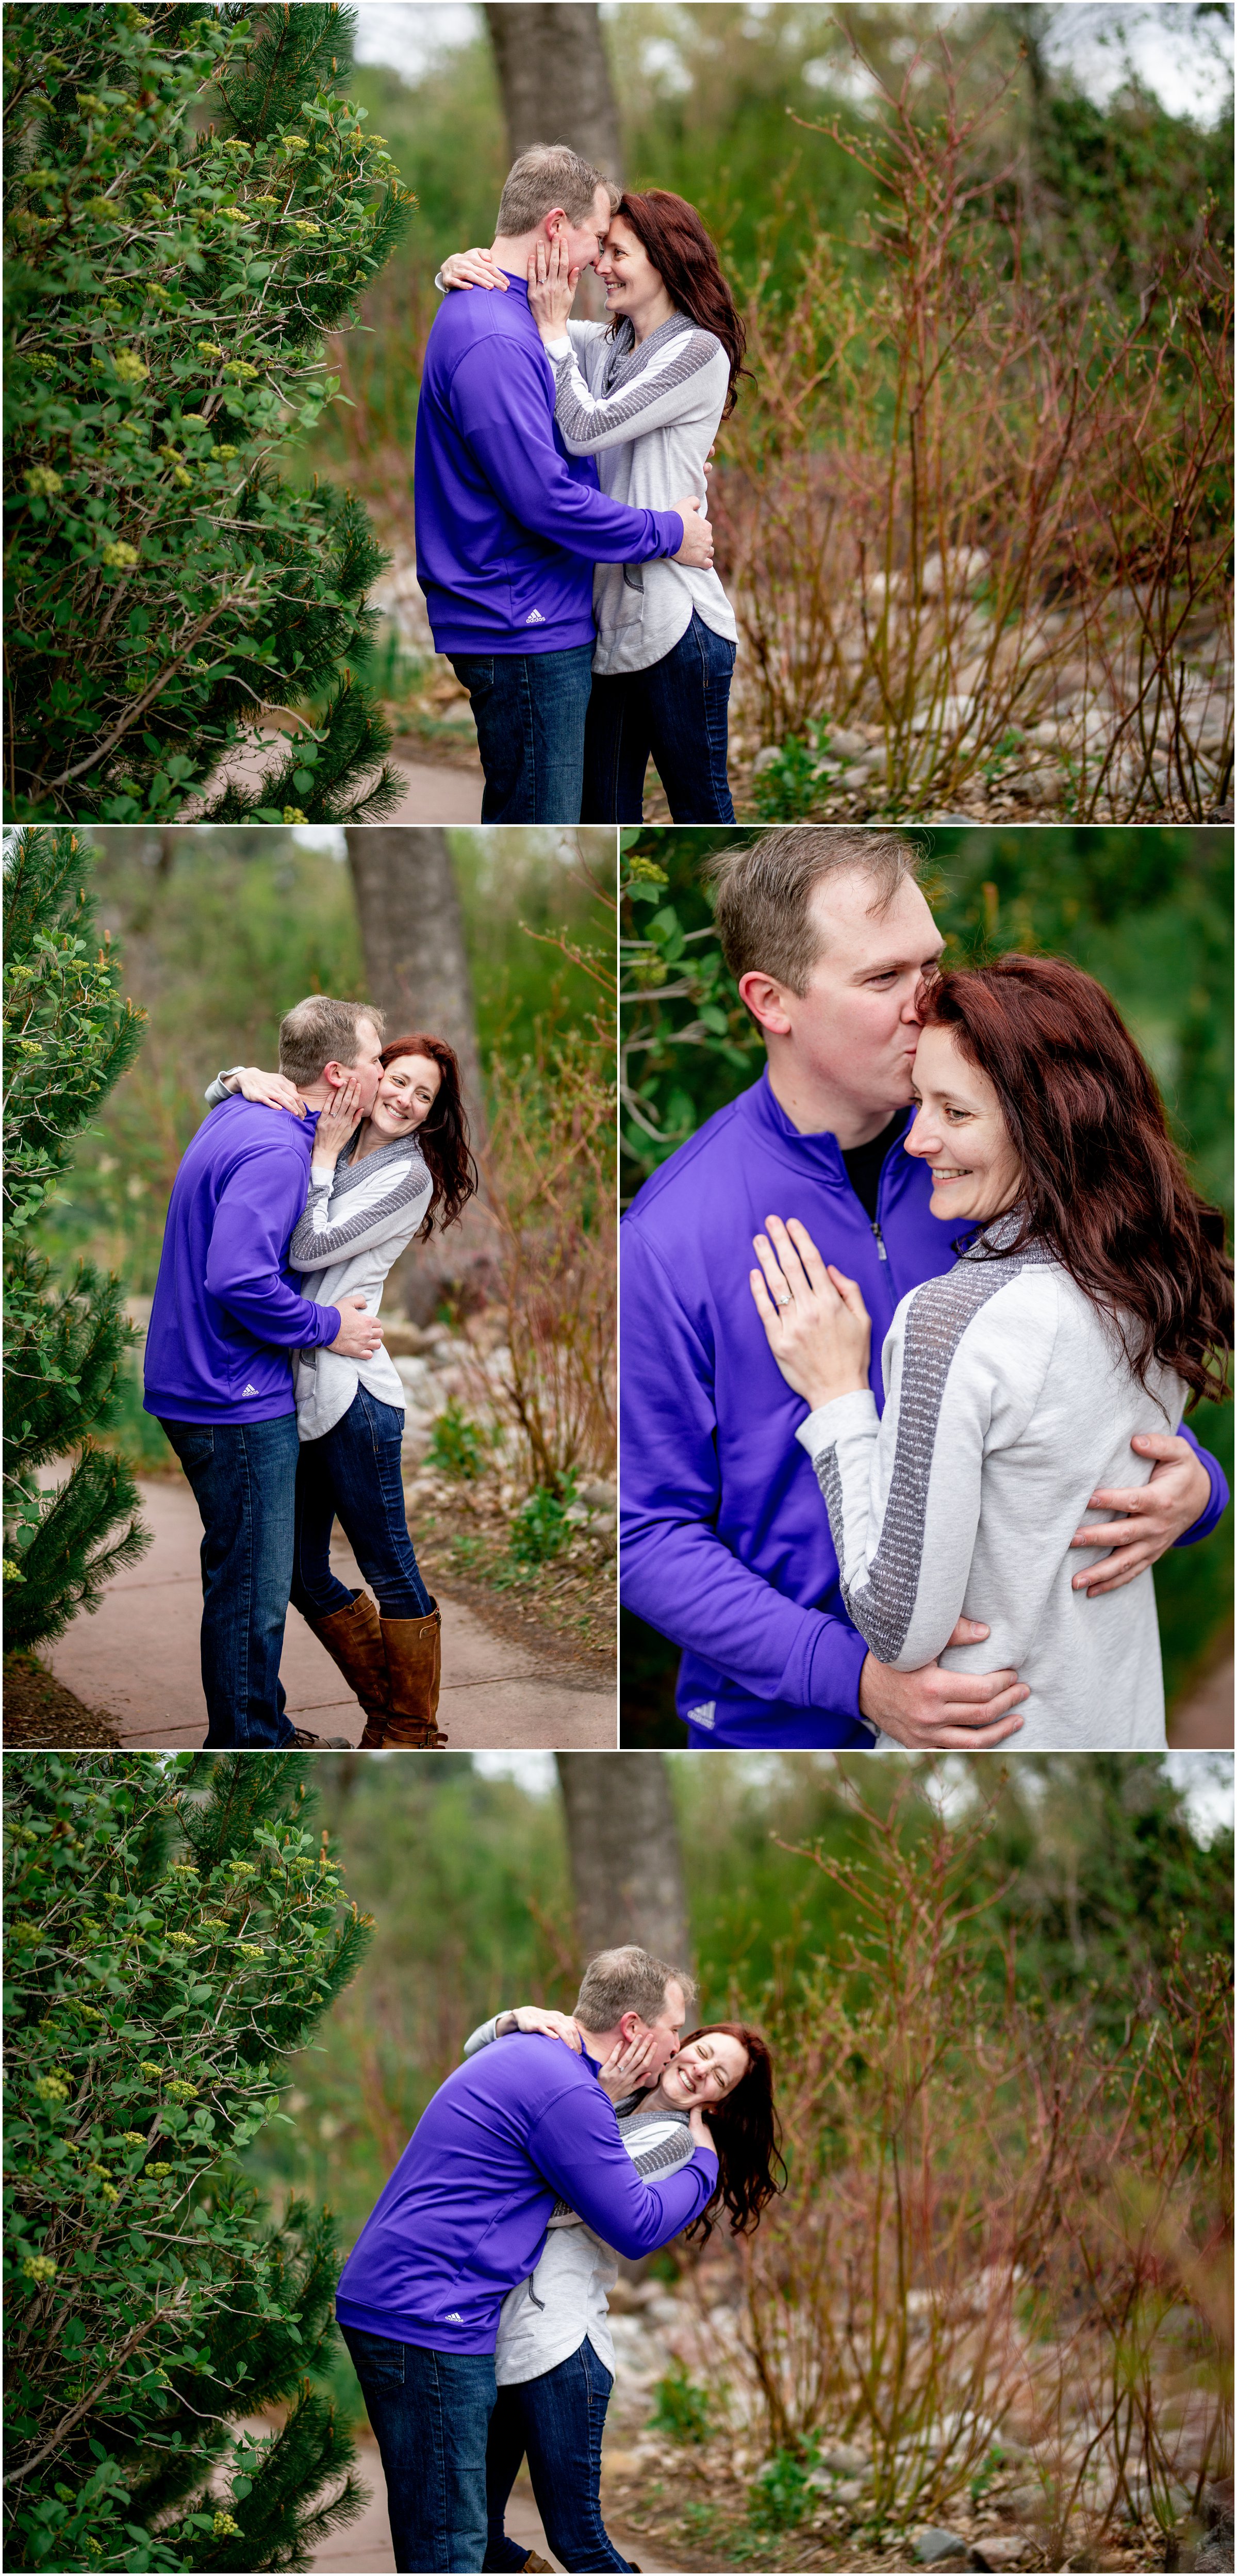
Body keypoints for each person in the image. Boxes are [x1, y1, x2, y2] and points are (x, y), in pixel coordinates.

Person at [619, 830, 1229, 1750]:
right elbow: (646, 1536)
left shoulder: (998, 1160)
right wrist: (855, 1679)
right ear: (769, 1000)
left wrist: (1191, 1482)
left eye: (933, 962)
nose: (927, 1002)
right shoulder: (669, 1239)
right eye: (880, 979)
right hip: (795, 1737)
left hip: (1033, 1714)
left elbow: (1061, 1372)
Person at [748, 954, 1233, 1744]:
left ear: (1048, 1122)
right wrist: (1204, 1487)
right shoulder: (1144, 1271)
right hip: (1115, 1727)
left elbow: (895, 1626)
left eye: (954, 1112)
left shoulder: (951, 1322)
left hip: (986, 1756)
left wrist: (839, 1403)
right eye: (918, 1103)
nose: (917, 1139)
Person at [336, 1947, 719, 2575]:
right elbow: (635, 2223)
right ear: (632, 2027)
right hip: (428, 2313)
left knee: (448, 2530)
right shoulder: (568, 2091)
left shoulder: (534, 2055)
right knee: (449, 2547)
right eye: (675, 2027)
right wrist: (705, 2165)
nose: (679, 2044)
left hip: (401, 2299)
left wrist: (507, 2020)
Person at [415, 144, 715, 824]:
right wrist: (668, 532)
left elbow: (627, 374)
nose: (596, 260)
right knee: (535, 822)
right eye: (594, 239)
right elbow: (543, 500)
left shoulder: (511, 316)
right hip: (520, 626)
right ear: (556, 227)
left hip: (534, 615)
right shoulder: (493, 336)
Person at [204, 1033, 477, 1749]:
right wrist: (243, 1071)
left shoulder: (405, 1176)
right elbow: (222, 1098)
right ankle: (394, 1710)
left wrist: (322, 1161)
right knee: (297, 1569)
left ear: (433, 1114)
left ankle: (408, 1728)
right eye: (399, 1080)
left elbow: (306, 1251)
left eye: (425, 1096)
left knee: (389, 1565)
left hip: (355, 1396)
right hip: (301, 1386)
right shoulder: (337, 1123)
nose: (406, 1100)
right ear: (371, 1075)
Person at [143, 995, 388, 1750]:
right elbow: (239, 1280)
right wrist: (330, 1327)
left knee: (242, 1567)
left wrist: (231, 1079)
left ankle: (257, 1721)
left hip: (198, 1377)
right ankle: (249, 1740)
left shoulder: (240, 1113)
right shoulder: (278, 1149)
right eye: (378, 1060)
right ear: (341, 1072)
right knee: (252, 1580)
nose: (385, 1072)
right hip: (230, 1394)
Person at [463, 1997, 781, 2574]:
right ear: (682, 2044)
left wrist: (587, 2108)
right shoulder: (624, 2099)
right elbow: (485, 2066)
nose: (700, 2070)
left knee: (579, 2541)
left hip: (559, 2347)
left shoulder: (673, 2143)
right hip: (513, 2338)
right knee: (477, 2531)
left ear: (719, 2099)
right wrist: (516, 2021)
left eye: (719, 2077)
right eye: (703, 2052)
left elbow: (565, 2202)